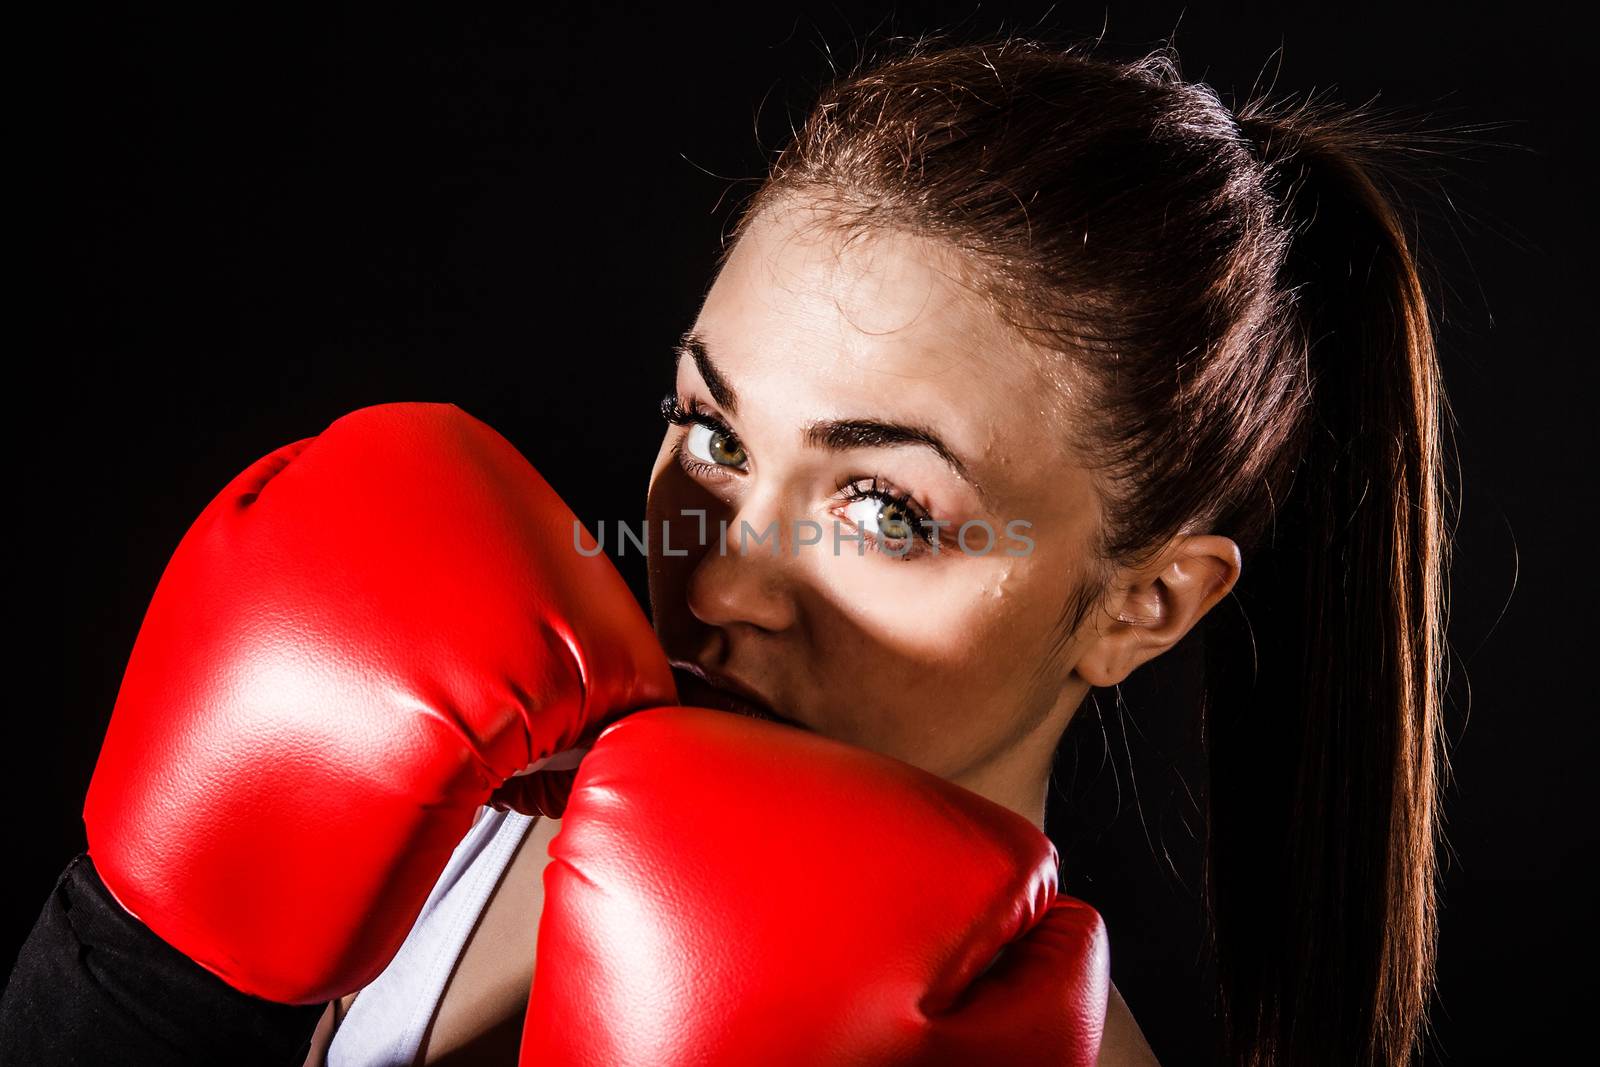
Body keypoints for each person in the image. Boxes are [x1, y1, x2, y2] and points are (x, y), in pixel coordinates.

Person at [6, 32, 1455, 1067]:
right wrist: (147, 981)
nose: (712, 583)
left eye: (882, 507)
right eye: (713, 432)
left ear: (1143, 605)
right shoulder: (452, 804)